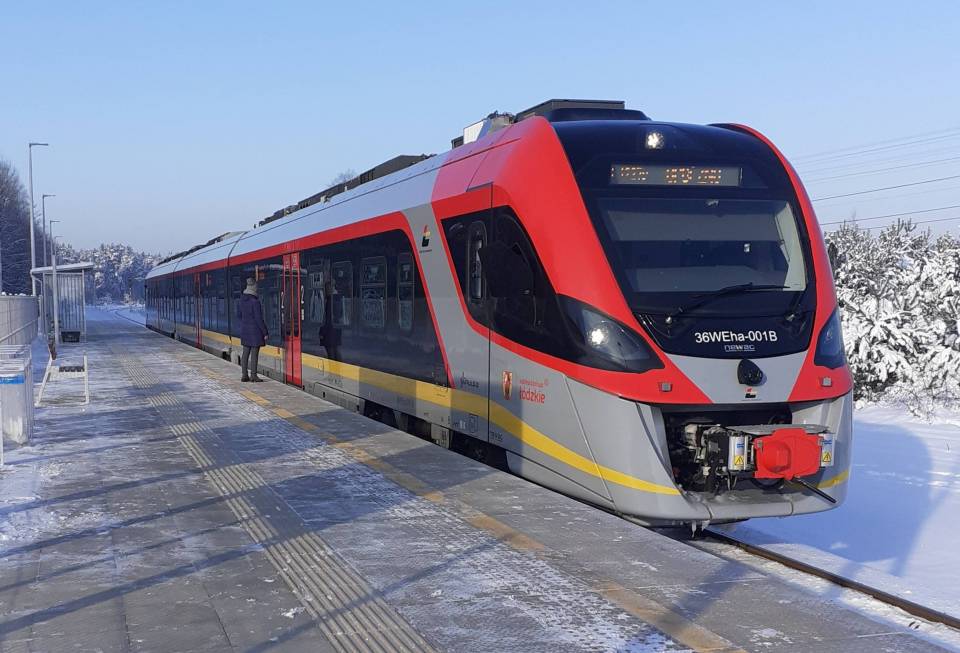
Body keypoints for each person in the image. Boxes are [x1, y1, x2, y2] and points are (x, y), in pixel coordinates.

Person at [237, 277, 268, 382]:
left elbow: (239, 315)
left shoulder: (241, 300)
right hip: (255, 332)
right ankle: (253, 375)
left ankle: (244, 375)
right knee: (254, 354)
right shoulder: (255, 302)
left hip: (245, 331)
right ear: (254, 287)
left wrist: (244, 324)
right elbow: (259, 319)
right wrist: (265, 332)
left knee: (245, 353)